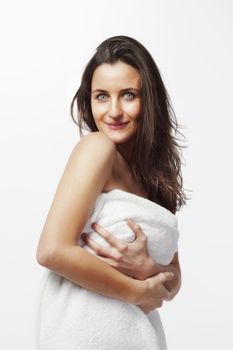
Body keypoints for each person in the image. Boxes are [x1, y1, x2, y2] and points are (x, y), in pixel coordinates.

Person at [35, 35, 186, 350]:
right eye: (101, 96)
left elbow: (173, 279)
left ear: (150, 100)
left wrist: (149, 270)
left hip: (137, 335)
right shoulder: (97, 147)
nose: (113, 111)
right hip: (84, 336)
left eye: (128, 95)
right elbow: (52, 250)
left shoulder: (155, 178)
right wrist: (136, 291)